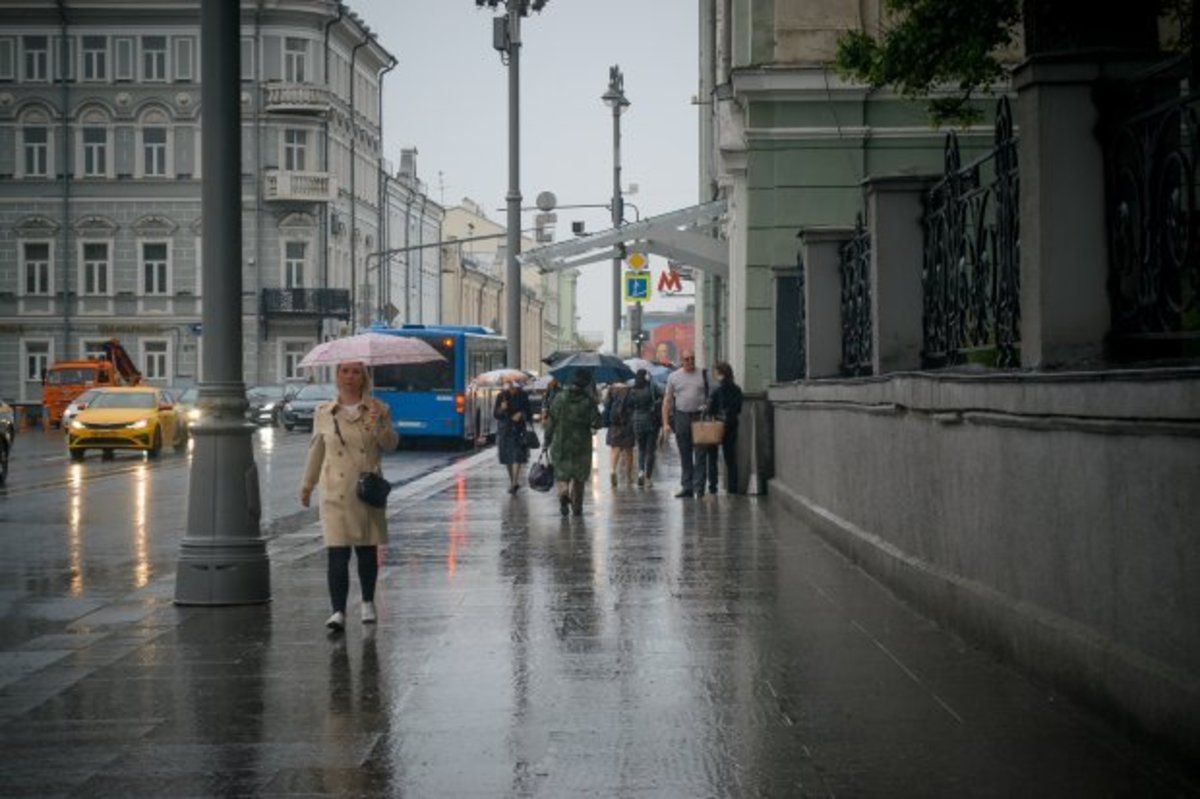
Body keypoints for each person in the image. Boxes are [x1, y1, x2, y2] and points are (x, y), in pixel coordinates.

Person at [300, 361, 398, 632]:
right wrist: (307, 485)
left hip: (365, 490)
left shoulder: (378, 409)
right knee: (336, 553)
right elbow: (316, 451)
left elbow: (391, 444)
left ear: (364, 377)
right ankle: (338, 611)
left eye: (356, 372)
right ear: (337, 376)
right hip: (334, 491)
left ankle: (367, 602)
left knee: (366, 551)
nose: (350, 377)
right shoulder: (324, 412)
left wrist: (379, 423)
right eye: (345, 371)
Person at [544, 369, 603, 516]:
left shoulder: (559, 398)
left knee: (562, 474)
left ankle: (563, 492)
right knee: (579, 477)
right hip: (581, 444)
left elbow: (551, 422)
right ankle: (577, 507)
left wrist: (546, 441)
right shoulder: (588, 401)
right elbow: (597, 423)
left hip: (561, 443)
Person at [661, 349, 709, 498]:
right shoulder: (674, 377)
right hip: (681, 416)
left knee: (700, 453)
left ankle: (699, 487)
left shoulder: (703, 375)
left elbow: (711, 395)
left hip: (699, 417)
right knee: (685, 453)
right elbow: (667, 401)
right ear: (681, 361)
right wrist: (665, 423)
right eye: (687, 359)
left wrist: (708, 409)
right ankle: (687, 486)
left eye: (692, 359)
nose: (690, 362)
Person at [701, 360, 744, 495]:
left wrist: (706, 409)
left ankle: (713, 487)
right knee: (730, 458)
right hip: (731, 424)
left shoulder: (717, 389)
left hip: (716, 425)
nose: (713, 375)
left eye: (715, 372)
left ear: (719, 373)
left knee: (712, 457)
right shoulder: (737, 389)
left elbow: (710, 409)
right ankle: (733, 488)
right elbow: (738, 409)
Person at [494, 380, 532, 494]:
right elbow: (496, 414)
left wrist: (521, 414)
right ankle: (513, 481)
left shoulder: (523, 395)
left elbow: (529, 413)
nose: (512, 388)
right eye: (510, 385)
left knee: (517, 455)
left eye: (514, 386)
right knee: (507, 458)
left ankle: (515, 482)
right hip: (505, 430)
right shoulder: (501, 396)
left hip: (519, 430)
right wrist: (502, 408)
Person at [628, 368, 660, 488]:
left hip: (637, 421)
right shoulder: (651, 388)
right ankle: (648, 477)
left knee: (641, 449)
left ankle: (640, 471)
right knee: (650, 451)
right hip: (650, 421)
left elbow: (629, 405)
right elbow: (661, 394)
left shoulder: (633, 390)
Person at [603, 381, 635, 487]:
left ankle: (613, 470)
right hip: (628, 424)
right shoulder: (630, 390)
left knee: (614, 448)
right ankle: (629, 475)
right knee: (629, 450)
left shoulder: (612, 389)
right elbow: (634, 406)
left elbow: (606, 406)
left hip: (615, 425)